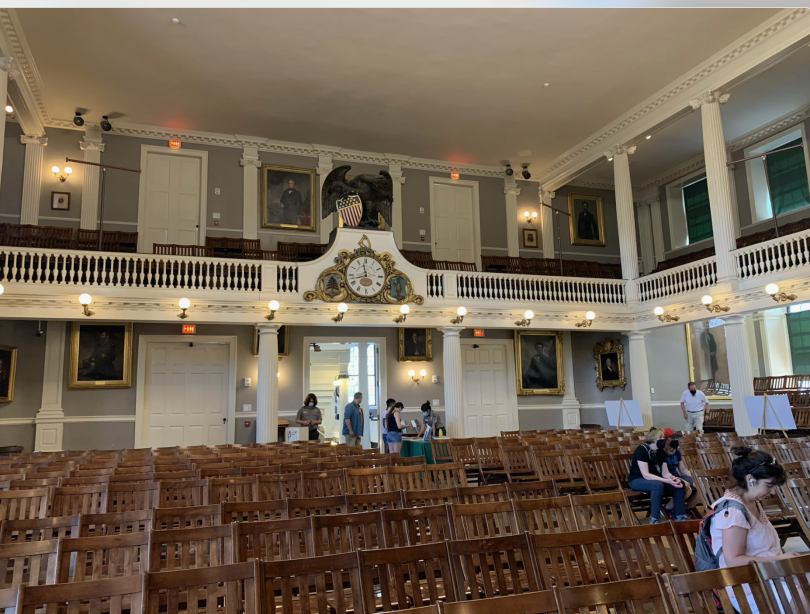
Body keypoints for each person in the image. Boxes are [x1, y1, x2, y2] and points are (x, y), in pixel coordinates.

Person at [709, 448, 798, 614]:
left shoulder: (751, 502)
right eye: (769, 485)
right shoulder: (733, 510)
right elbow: (734, 560)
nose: (772, 492)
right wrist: (778, 559)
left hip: (771, 575)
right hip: (749, 586)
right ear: (750, 479)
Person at [627, 427, 689, 524]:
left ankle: (679, 515)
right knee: (657, 485)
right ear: (653, 438)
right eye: (660, 438)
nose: (663, 440)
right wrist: (666, 480)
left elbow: (665, 473)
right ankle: (655, 518)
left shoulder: (660, 452)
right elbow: (646, 475)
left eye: (663, 438)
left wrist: (672, 478)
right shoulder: (641, 449)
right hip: (637, 479)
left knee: (679, 483)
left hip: (656, 479)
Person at [659, 428, 699, 516]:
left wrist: (696, 476)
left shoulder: (676, 452)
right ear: (666, 440)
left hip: (677, 475)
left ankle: (688, 508)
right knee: (685, 487)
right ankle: (668, 508)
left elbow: (683, 469)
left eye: (676, 438)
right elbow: (664, 473)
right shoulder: (660, 452)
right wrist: (683, 481)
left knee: (702, 484)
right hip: (666, 478)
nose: (675, 440)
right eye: (673, 438)